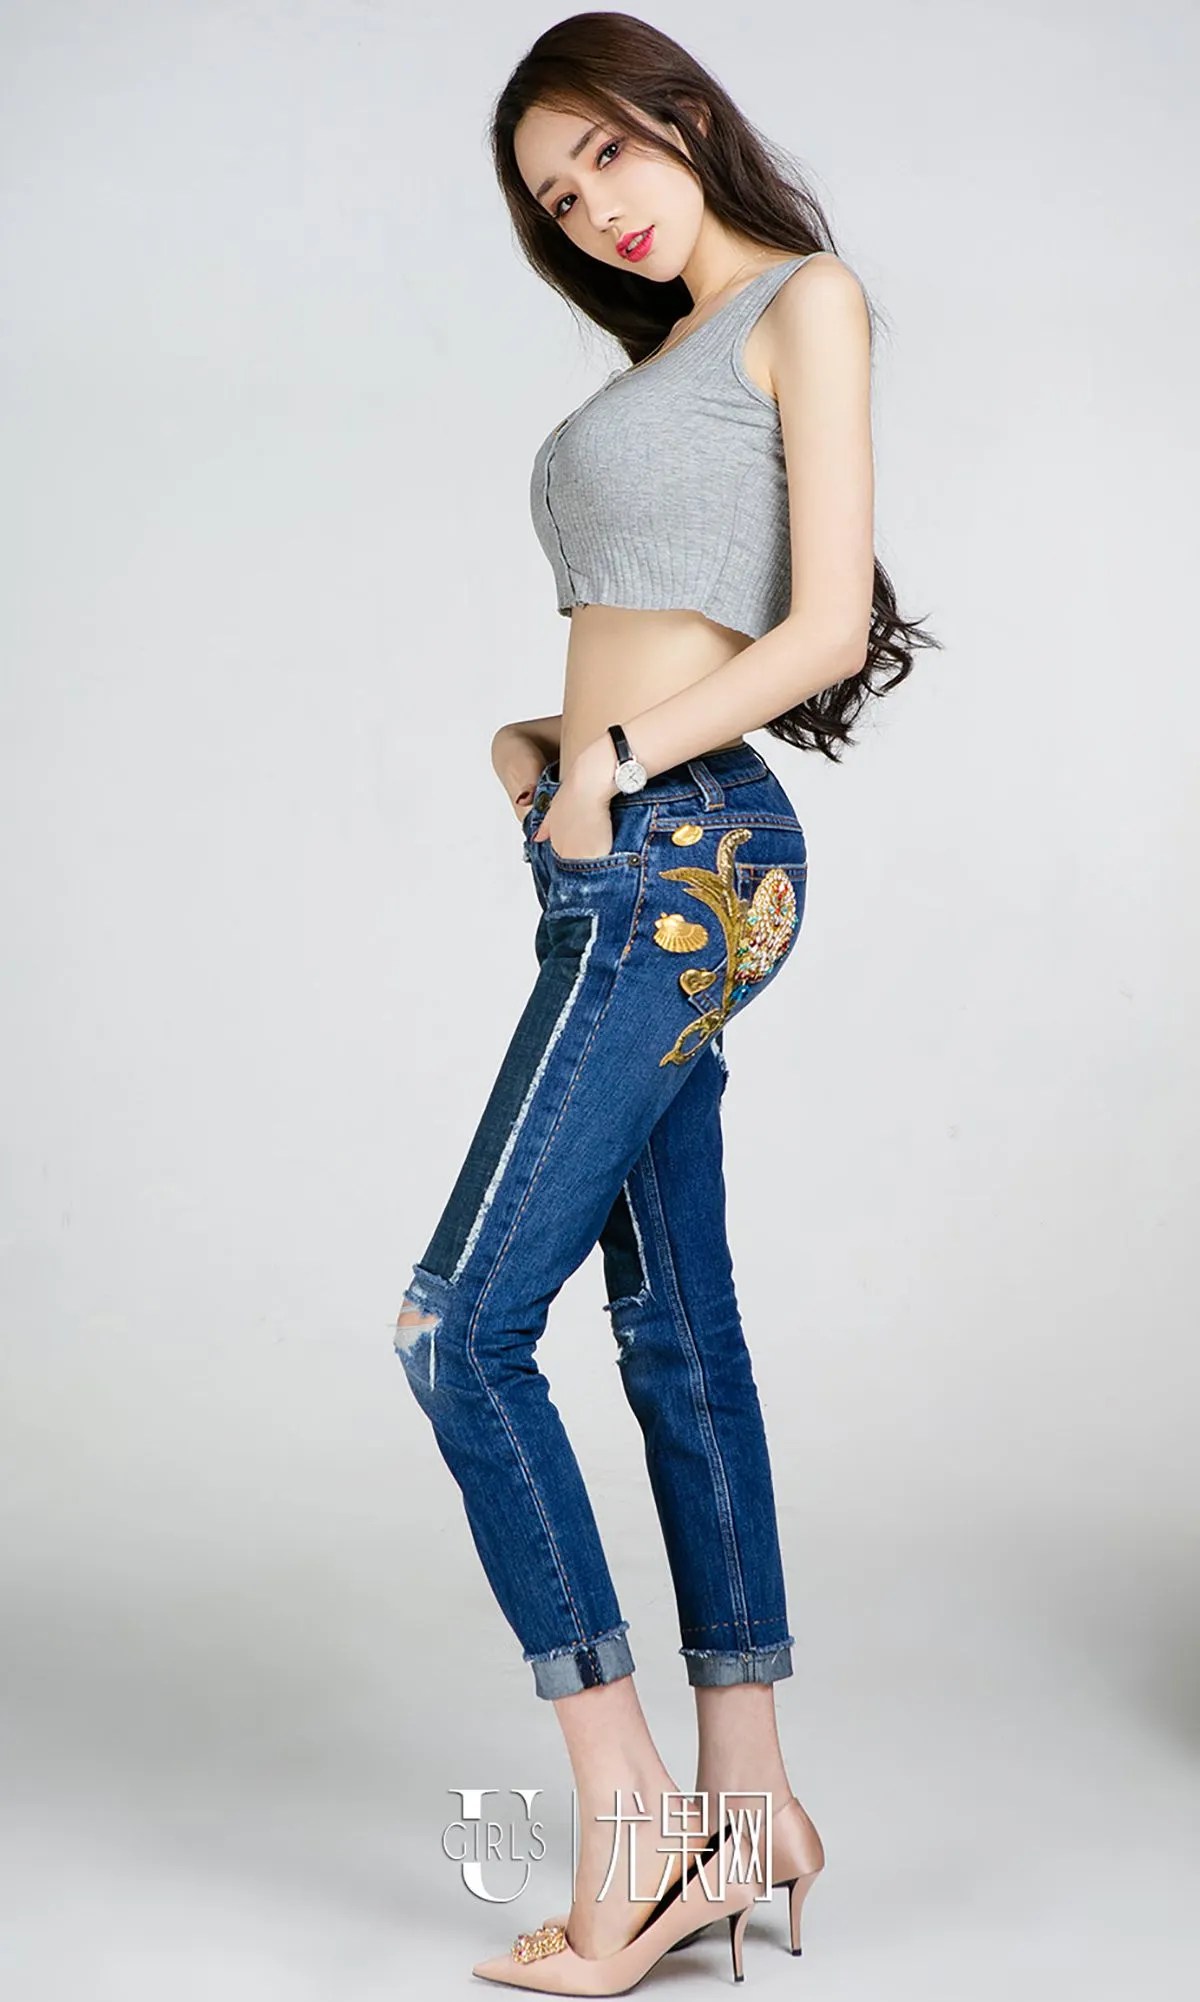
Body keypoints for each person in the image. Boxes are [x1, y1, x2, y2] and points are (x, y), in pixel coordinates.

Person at [393, 15, 939, 1992]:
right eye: (558, 198)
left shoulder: (806, 302)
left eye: (608, 155)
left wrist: (618, 757)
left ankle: (637, 1835)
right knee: (675, 1330)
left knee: (458, 1329)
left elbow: (825, 620)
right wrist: (546, 746)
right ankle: (750, 1794)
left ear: (682, 116)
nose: (593, 209)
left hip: (688, 848)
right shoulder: (667, 363)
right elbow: (645, 613)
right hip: (624, 842)